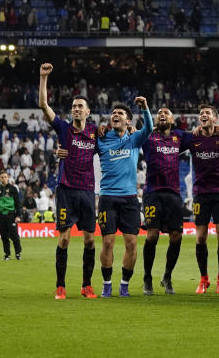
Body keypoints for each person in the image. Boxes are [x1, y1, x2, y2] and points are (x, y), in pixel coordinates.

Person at [39, 63, 99, 301]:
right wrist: (44, 78)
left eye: (80, 106)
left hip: (87, 191)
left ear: (87, 111)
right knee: (64, 238)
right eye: (73, 106)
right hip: (66, 190)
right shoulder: (64, 129)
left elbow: (118, 135)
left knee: (90, 239)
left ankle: (86, 285)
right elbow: (44, 105)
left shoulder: (96, 132)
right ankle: (61, 286)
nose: (75, 109)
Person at [96, 97, 153, 298]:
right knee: (108, 242)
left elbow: (149, 129)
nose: (116, 115)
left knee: (131, 243)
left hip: (129, 199)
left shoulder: (134, 139)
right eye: (114, 114)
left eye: (120, 114)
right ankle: (107, 285)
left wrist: (145, 108)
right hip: (107, 198)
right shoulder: (101, 138)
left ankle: (124, 285)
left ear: (128, 121)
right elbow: (82, 146)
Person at [182, 105, 219, 294]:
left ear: (215, 118)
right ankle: (203, 279)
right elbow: (172, 144)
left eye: (207, 113)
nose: (203, 115)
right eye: (201, 114)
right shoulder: (192, 138)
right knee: (201, 237)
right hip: (200, 193)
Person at [139, 107, 189, 296]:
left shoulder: (180, 137)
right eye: (159, 112)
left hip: (174, 194)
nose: (162, 114)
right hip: (153, 193)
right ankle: (147, 277)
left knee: (176, 237)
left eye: (166, 113)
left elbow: (202, 134)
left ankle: (167, 276)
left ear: (173, 120)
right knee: (152, 236)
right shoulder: (147, 137)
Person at [0, 171, 22, 261]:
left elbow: (17, 203)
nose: (4, 179)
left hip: (11, 215)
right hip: (1, 216)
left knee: (14, 235)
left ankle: (18, 253)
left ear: (8, 177)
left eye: (5, 177)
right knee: (4, 236)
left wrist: (18, 215)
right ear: (0, 179)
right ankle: (7, 254)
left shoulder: (13, 189)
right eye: (2, 177)